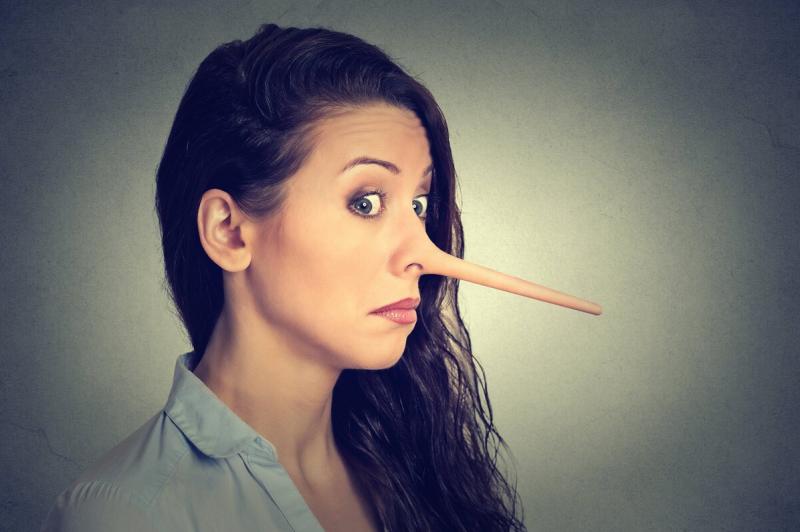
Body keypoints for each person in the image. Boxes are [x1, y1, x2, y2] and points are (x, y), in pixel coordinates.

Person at [42, 22, 601, 532]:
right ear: (229, 231)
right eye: (366, 202)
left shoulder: (412, 462)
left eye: (419, 204)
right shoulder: (124, 515)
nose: (421, 255)